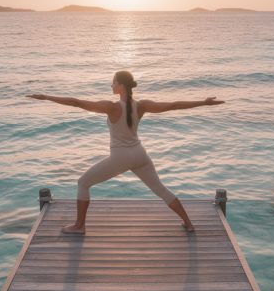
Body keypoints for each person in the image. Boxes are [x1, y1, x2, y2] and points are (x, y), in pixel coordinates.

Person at [27, 71, 225, 234]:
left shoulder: (111, 107)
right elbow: (173, 105)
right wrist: (203, 102)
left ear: (120, 85)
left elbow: (77, 102)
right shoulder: (141, 105)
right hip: (140, 155)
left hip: (121, 157)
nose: (111, 86)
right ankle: (189, 224)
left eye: (112, 83)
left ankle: (79, 226)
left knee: (83, 183)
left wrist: (47, 97)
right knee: (161, 190)